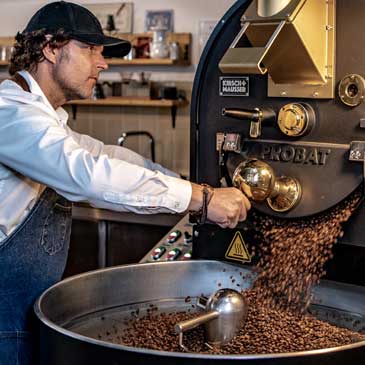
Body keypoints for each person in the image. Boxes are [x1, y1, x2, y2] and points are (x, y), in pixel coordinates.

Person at [0, 1, 251, 364]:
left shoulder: (44, 120)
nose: (102, 63)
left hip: (20, 315)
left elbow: (106, 156)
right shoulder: (9, 112)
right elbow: (86, 174)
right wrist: (201, 198)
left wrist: (180, 182)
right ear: (51, 49)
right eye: (90, 50)